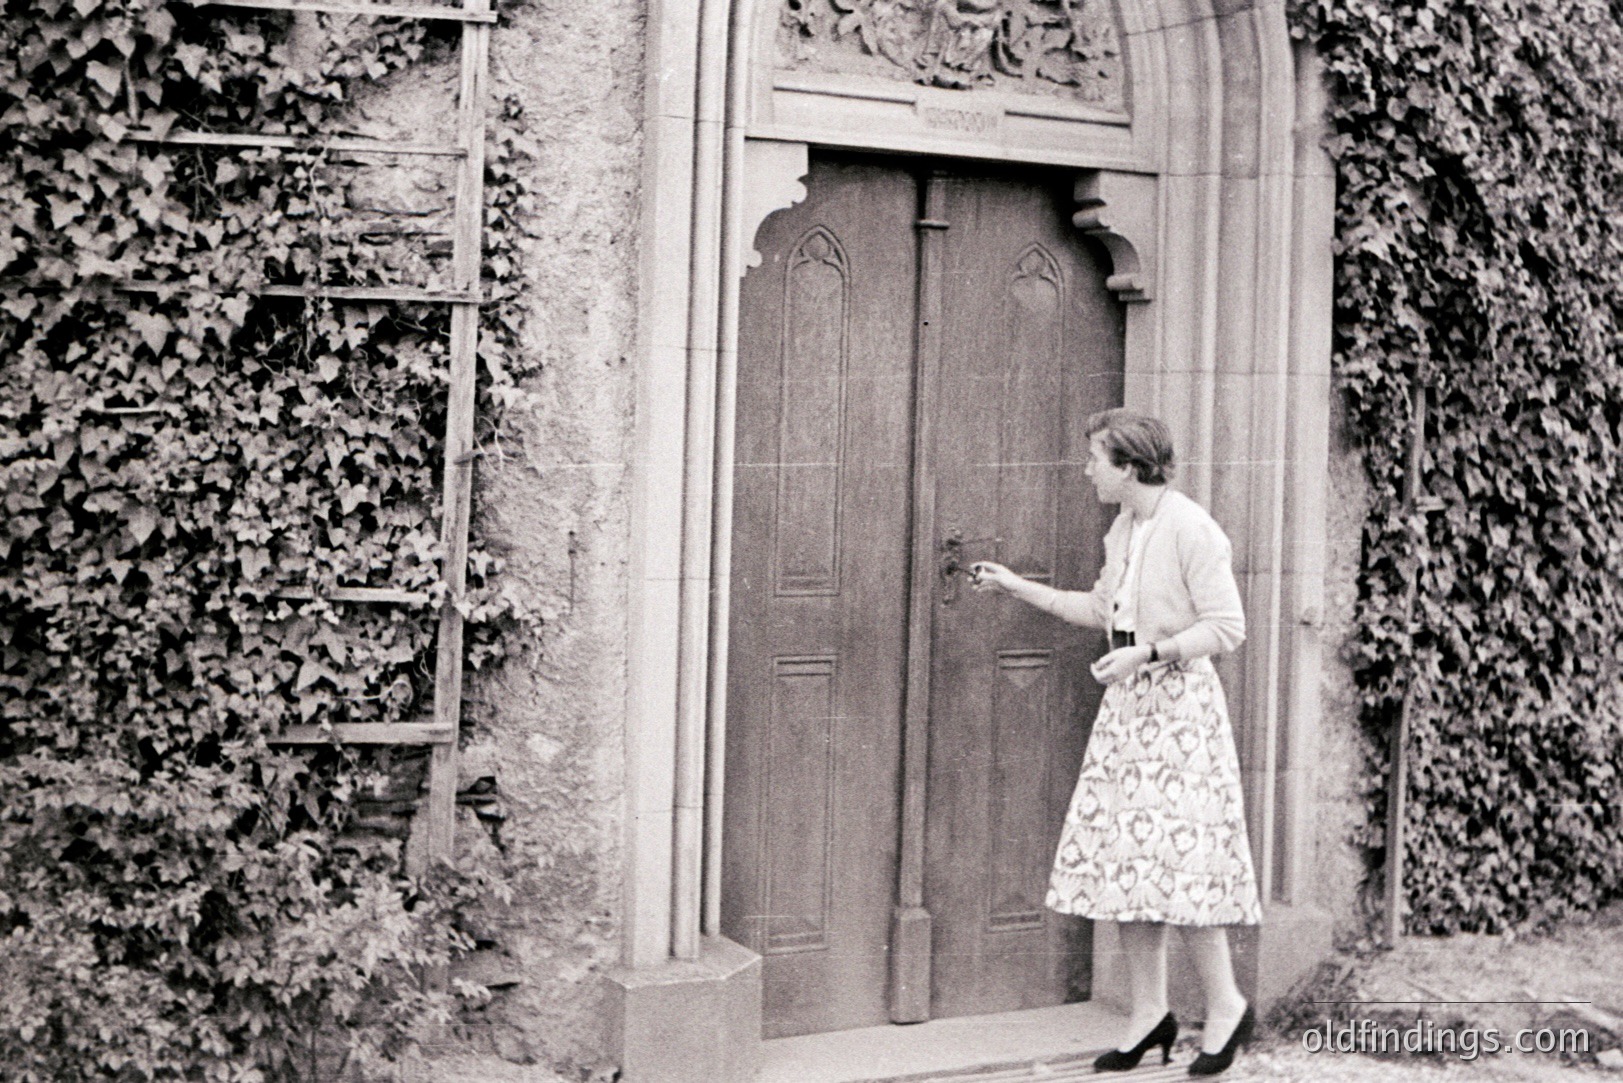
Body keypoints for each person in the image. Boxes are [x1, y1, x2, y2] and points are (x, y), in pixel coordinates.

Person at [970, 409, 1261, 1077]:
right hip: (1129, 710)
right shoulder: (1124, 528)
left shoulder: (1191, 529)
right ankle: (1148, 1015)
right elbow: (1099, 611)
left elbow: (1227, 626)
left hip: (1179, 711)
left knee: (1179, 862)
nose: (1085, 469)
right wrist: (1015, 584)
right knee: (1129, 865)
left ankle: (1224, 1006)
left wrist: (1150, 654)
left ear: (1129, 465)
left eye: (1094, 458)